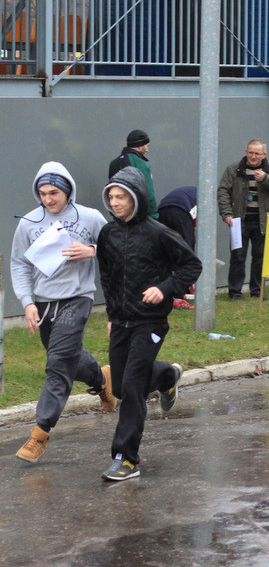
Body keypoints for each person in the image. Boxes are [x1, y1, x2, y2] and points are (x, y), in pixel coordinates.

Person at [97, 167, 202, 481]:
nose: (115, 203)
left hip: (151, 322)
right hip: (122, 320)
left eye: (121, 197)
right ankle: (167, 375)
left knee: (131, 389)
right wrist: (112, 316)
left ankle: (126, 458)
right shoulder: (108, 234)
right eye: (111, 197)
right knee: (117, 386)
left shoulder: (158, 232)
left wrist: (165, 288)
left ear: (136, 198)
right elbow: (108, 279)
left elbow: (191, 265)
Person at [11, 162, 115, 463]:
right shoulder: (29, 223)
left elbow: (116, 245)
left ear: (67, 190)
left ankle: (40, 432)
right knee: (68, 357)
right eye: (42, 193)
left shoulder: (90, 217)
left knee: (58, 363)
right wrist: (27, 302)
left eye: (53, 192)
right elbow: (19, 264)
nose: (48, 199)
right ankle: (101, 381)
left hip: (77, 298)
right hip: (43, 301)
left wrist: (92, 250)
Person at [217, 139, 269, 299]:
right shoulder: (233, 169)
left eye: (257, 154)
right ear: (246, 152)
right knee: (237, 257)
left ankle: (257, 291)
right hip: (238, 221)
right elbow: (223, 191)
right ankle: (235, 292)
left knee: (260, 257)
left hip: (263, 221)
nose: (253, 157)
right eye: (250, 153)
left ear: (264, 155)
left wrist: (265, 178)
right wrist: (226, 213)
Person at [157, 186, 197, 310]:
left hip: (162, 210)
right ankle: (179, 298)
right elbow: (198, 221)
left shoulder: (193, 191)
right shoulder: (207, 197)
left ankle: (165, 294)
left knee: (167, 253)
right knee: (185, 253)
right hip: (180, 211)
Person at [109, 129, 158, 218]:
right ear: (139, 147)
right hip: (139, 218)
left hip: (119, 217)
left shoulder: (114, 163)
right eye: (146, 146)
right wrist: (154, 216)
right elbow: (148, 192)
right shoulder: (141, 163)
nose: (147, 150)